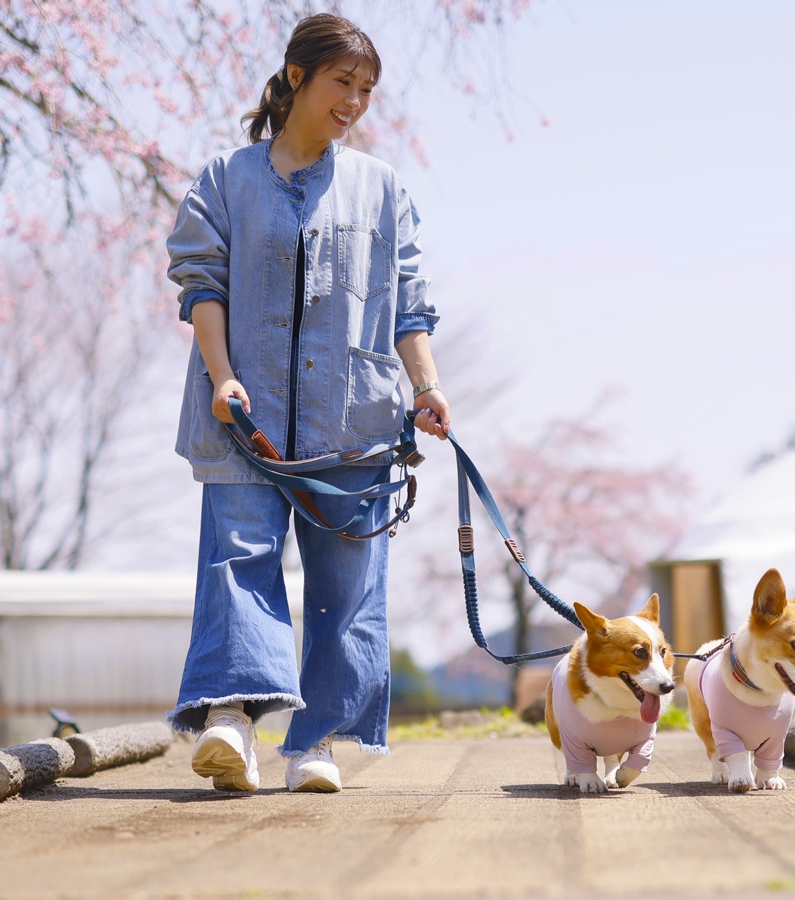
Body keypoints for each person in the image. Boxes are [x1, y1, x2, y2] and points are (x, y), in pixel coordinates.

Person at [165, 13, 450, 794]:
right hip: (243, 418)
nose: (355, 101)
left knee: (346, 581)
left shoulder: (382, 186)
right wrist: (222, 376)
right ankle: (230, 718)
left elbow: (409, 306)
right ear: (296, 77)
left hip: (352, 416)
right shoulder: (226, 177)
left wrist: (425, 387)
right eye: (342, 83)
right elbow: (203, 286)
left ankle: (315, 740)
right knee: (240, 559)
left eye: (366, 89)